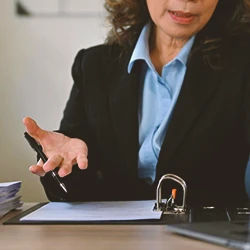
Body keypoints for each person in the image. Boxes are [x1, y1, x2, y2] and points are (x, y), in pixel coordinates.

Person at [23, 0, 250, 207]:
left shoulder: (243, 65)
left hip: (210, 236)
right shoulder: (95, 65)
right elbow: (73, 187)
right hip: (115, 237)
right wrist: (60, 166)